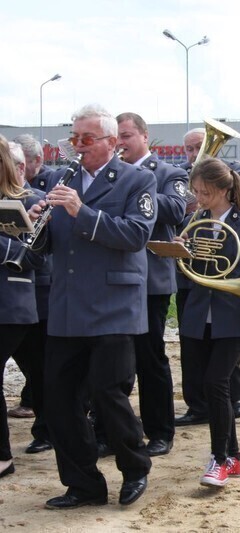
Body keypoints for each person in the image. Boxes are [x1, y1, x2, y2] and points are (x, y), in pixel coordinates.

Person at [34, 104, 156, 508]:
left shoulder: (136, 180)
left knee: (108, 393)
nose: (78, 146)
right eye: (74, 139)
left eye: (86, 139)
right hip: (67, 307)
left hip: (113, 306)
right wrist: (33, 225)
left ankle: (134, 466)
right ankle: (83, 483)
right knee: (58, 401)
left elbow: (135, 236)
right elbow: (50, 247)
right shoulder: (56, 178)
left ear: (109, 142)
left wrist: (79, 210)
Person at [177, 157, 240, 487]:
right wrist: (179, 251)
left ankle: (219, 459)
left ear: (223, 190)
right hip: (197, 314)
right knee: (207, 385)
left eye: (204, 192)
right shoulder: (193, 220)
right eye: (195, 192)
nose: (199, 198)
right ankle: (232, 456)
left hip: (235, 314)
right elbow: (190, 270)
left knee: (215, 383)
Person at [115, 112, 188, 457]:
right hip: (114, 279)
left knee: (150, 358)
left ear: (145, 136)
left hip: (151, 281)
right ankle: (112, 431)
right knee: (113, 360)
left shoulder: (169, 172)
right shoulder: (110, 174)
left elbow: (177, 209)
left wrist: (135, 186)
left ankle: (160, 430)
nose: (120, 143)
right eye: (116, 137)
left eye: (126, 135)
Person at [0, 137, 47, 479]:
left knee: (44, 372)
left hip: (11, 304)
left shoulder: (28, 198)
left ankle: (4, 456)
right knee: (41, 372)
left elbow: (36, 257)